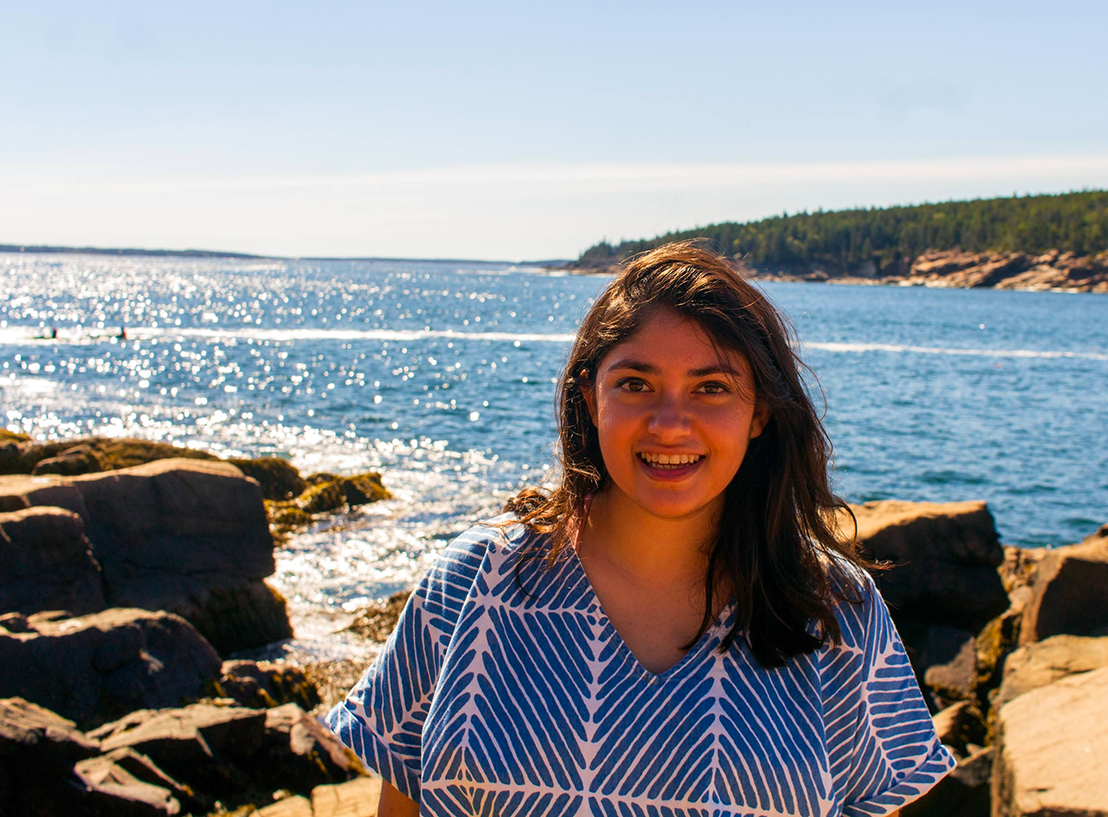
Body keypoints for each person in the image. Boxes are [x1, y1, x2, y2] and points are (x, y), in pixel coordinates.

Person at [326, 241, 955, 816]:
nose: (669, 423)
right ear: (591, 397)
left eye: (711, 387)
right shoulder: (477, 581)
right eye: (635, 383)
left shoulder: (834, 611)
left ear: (759, 412)